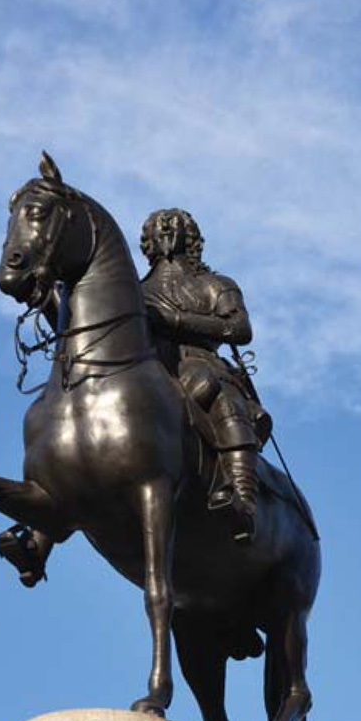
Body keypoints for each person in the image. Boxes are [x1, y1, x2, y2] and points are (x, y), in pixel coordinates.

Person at [139, 208, 271, 542]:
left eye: (167, 229)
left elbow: (239, 328)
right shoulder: (135, 289)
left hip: (202, 362)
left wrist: (178, 322)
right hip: (150, 363)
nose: (160, 235)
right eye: (155, 230)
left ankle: (243, 502)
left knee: (224, 399)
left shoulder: (216, 285)